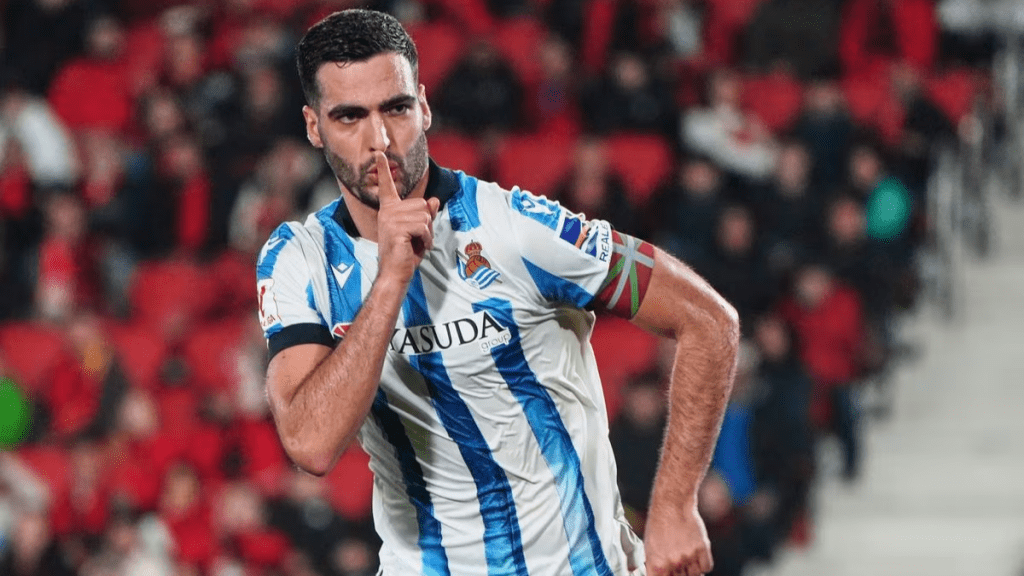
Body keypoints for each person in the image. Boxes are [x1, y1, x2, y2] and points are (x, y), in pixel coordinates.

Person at [256, 9, 739, 576]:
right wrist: (391, 279)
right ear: (314, 126)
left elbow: (709, 319)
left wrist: (676, 507)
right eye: (349, 117)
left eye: (396, 107)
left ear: (425, 105)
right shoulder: (298, 258)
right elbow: (311, 444)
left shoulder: (517, 228)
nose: (380, 139)